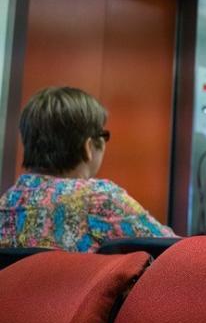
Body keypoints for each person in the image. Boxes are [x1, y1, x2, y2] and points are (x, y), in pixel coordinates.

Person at [0, 87, 176, 252]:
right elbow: (175, 249)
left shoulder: (7, 202)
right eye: (103, 135)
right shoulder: (98, 199)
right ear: (88, 146)